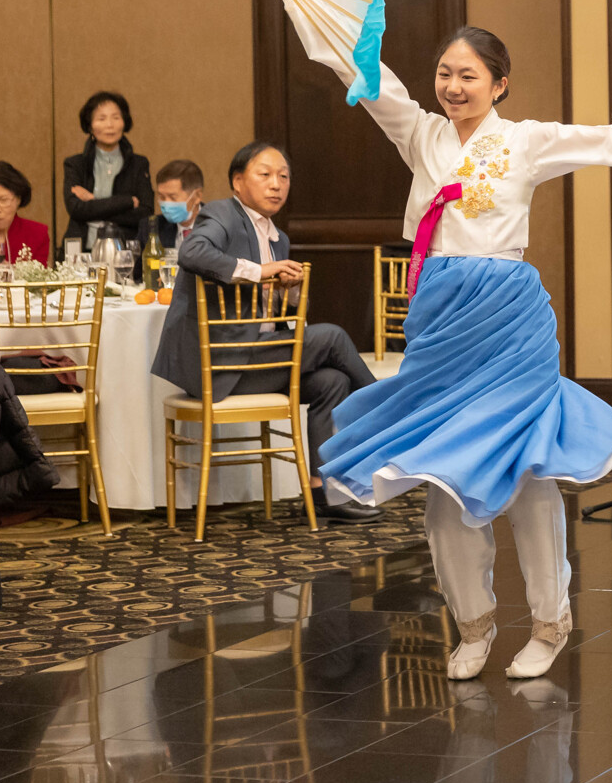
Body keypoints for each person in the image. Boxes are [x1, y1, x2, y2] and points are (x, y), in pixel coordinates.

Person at [259, 0, 612, 683]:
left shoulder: (527, 141)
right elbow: (356, 65)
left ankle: (549, 619)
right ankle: (472, 624)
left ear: (499, 84)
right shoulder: (419, 133)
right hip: (441, 319)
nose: (452, 86)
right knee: (442, 481)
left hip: (508, 319)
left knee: (528, 474)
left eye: (468, 75)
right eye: (445, 73)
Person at [151, 141, 382, 524]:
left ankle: (323, 492)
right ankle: (386, 414)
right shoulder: (221, 214)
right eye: (265, 174)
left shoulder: (278, 238)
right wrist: (259, 272)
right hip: (219, 361)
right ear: (238, 181)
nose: (276, 184)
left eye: (284, 176)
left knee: (332, 381)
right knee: (333, 336)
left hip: (254, 357)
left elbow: (275, 317)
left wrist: (290, 295)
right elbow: (192, 253)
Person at [62, 90, 155, 254]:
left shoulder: (138, 164)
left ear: (124, 122)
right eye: (102, 119)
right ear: (90, 126)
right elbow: (76, 209)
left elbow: (145, 213)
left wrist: (94, 202)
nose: (110, 125)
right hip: (81, 251)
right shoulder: (75, 164)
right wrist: (126, 202)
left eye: (116, 118)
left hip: (125, 251)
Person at [151, 159, 206, 249]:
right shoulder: (152, 228)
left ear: (197, 196)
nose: (166, 203)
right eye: (162, 197)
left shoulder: (220, 226)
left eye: (173, 197)